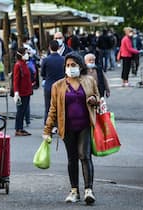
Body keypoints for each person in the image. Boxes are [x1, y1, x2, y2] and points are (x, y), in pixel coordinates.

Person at [42, 52, 99, 205]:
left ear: (80, 66)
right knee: (71, 158)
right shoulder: (58, 86)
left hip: (85, 126)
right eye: (67, 65)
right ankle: (74, 191)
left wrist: (94, 100)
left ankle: (89, 190)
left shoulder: (89, 81)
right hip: (67, 127)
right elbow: (52, 109)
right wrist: (47, 130)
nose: (70, 68)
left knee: (84, 155)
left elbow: (98, 99)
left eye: (73, 65)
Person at [41, 40, 65, 123]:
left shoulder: (46, 60)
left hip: (49, 86)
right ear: (58, 48)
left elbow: (42, 73)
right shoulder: (63, 59)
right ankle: (59, 125)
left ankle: (48, 126)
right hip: (61, 86)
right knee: (60, 107)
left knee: (48, 107)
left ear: (49, 47)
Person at [13, 47, 33, 136]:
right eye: (25, 53)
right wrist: (16, 92)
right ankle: (18, 129)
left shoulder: (24, 64)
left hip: (27, 91)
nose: (27, 54)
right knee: (20, 111)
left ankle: (21, 128)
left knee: (24, 110)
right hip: (21, 92)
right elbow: (16, 80)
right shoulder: (18, 65)